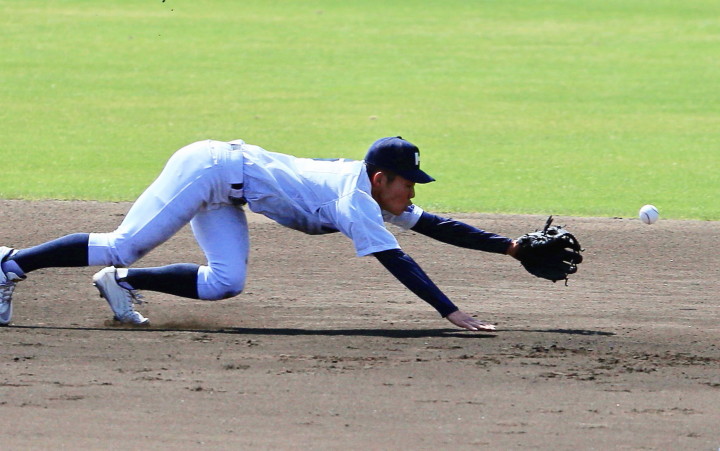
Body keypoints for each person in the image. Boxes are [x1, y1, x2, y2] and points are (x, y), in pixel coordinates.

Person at [1, 136, 522, 331]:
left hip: (229, 190)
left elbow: (435, 226)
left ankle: (121, 283)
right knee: (122, 243)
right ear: (382, 179)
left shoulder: (373, 191)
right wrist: (450, 311)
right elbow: (398, 260)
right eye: (409, 183)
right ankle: (10, 263)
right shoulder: (356, 201)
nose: (413, 192)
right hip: (208, 168)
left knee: (225, 282)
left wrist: (510, 247)